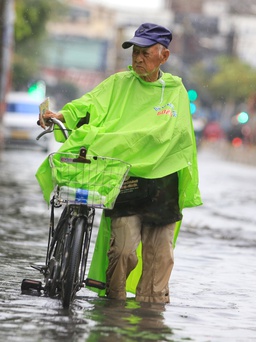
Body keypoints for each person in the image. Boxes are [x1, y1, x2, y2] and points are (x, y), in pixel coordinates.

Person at [37, 23, 202, 304]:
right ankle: (113, 310)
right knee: (123, 251)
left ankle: (150, 317)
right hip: (125, 181)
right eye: (135, 52)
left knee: (160, 256)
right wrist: (62, 115)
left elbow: (180, 138)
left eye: (145, 53)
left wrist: (152, 140)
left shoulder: (175, 91)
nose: (137, 59)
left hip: (164, 186)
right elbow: (89, 104)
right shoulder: (118, 84)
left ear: (164, 57)